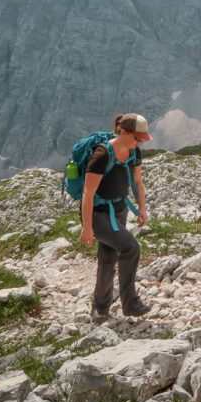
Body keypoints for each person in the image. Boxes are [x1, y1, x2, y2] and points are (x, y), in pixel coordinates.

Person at [79, 113, 152, 321]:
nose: (139, 142)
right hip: (97, 214)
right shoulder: (102, 154)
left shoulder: (134, 152)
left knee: (108, 257)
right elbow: (88, 193)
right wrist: (86, 227)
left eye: (142, 138)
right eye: (137, 137)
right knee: (131, 247)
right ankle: (130, 303)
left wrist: (142, 209)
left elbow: (137, 182)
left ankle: (100, 309)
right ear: (123, 132)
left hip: (120, 211)